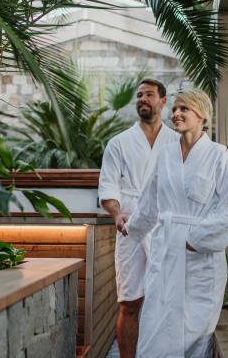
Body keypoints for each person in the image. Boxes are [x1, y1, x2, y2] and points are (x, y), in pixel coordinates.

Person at [118, 89, 228, 358]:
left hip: (199, 260)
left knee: (194, 332)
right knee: (156, 324)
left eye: (184, 109)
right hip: (165, 254)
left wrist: (193, 241)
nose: (175, 114)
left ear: (201, 115)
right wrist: (131, 226)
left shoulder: (220, 157)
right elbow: (150, 203)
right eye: (174, 109)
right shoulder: (165, 156)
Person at [98, 78, 180, 358]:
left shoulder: (177, 141)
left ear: (163, 102)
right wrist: (117, 212)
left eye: (149, 95)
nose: (142, 99)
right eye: (139, 95)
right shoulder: (119, 142)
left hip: (165, 224)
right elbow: (108, 186)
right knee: (129, 303)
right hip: (130, 226)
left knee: (168, 301)